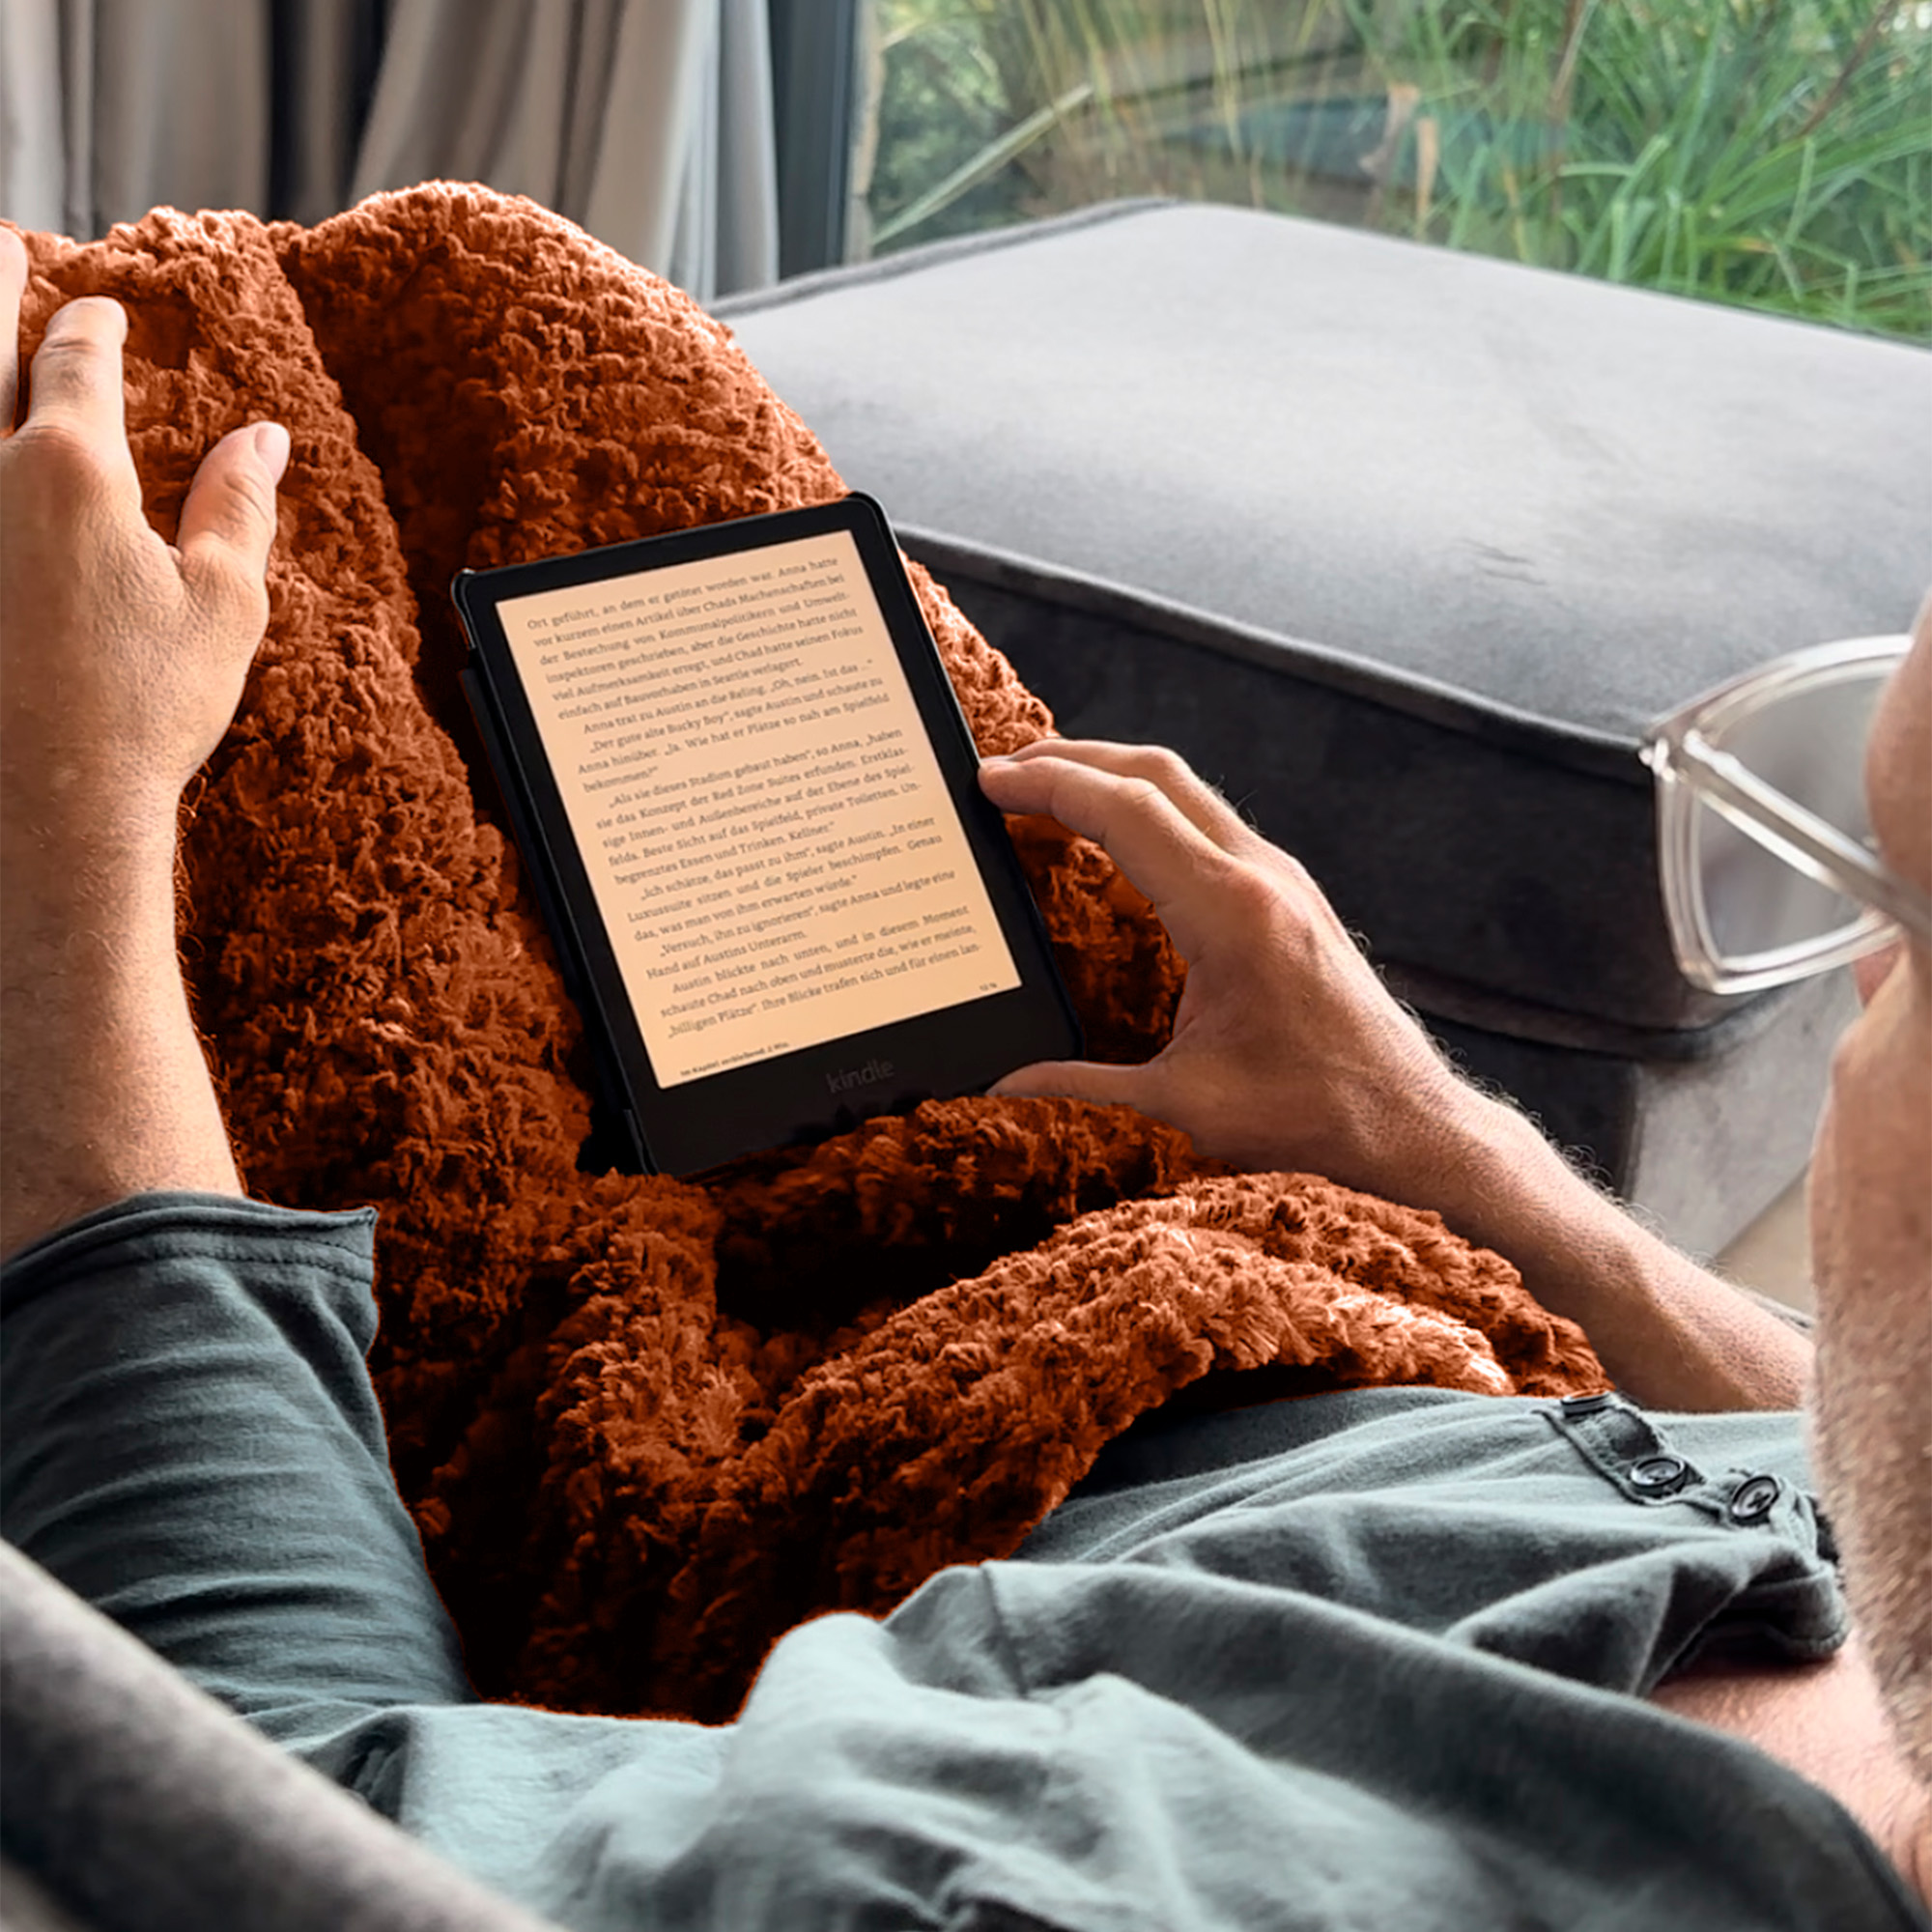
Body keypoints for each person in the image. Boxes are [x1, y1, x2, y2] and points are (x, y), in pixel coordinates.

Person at [1, 226, 1927, 1930]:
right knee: (506, 308)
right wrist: (1433, 1142)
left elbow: (268, 1810)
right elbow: (1880, 1455)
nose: (1852, 976)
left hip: (761, 1448)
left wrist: (67, 834)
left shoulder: (1111, 1873)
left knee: (94, 385)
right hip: (1249, 1249)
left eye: (1909, 925)